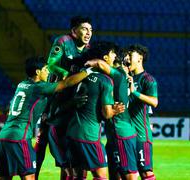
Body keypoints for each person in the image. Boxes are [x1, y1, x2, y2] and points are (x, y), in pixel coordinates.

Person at [0, 57, 93, 180]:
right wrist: (87, 72)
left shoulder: (22, 84)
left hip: (3, 137)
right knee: (29, 177)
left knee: (5, 177)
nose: (48, 72)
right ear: (37, 72)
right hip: (19, 137)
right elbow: (67, 83)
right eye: (45, 69)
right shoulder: (39, 87)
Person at [35, 15, 93, 180]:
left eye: (90, 30)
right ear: (74, 31)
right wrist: (68, 75)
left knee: (69, 147)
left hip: (72, 101)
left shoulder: (89, 50)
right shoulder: (63, 42)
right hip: (53, 96)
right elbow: (51, 64)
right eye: (84, 29)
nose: (88, 33)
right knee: (42, 139)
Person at [66, 42, 125, 180]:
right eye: (112, 53)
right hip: (89, 135)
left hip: (72, 131)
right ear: (105, 58)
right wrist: (115, 110)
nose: (115, 56)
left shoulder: (82, 74)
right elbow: (106, 113)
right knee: (101, 176)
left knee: (77, 175)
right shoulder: (105, 81)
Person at [85, 42, 139, 180]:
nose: (113, 54)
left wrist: (90, 62)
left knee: (129, 174)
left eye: (113, 53)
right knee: (116, 174)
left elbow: (100, 64)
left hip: (120, 132)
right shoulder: (113, 78)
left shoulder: (119, 74)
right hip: (116, 133)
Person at [127, 44, 158, 180]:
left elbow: (154, 102)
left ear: (140, 58)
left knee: (145, 172)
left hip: (141, 134)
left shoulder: (147, 80)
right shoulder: (126, 77)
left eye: (130, 55)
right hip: (126, 134)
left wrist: (135, 93)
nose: (127, 59)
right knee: (127, 173)